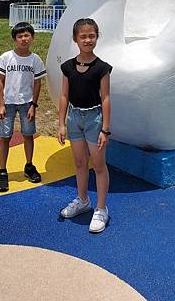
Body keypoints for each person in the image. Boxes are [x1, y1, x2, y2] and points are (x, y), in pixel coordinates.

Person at [57, 18, 112, 233]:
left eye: (92, 35)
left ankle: (101, 208)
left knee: (98, 165)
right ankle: (82, 200)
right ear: (75, 39)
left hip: (94, 119)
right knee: (79, 163)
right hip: (73, 118)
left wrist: (105, 128)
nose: (88, 40)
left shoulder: (102, 68)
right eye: (83, 36)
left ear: (97, 37)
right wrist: (61, 123)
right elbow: (63, 96)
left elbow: (106, 98)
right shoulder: (68, 67)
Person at [0, 22, 46, 192]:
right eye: (20, 36)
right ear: (15, 39)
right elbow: (0, 81)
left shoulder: (35, 59)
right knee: (5, 136)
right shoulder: (6, 57)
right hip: (8, 103)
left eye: (27, 35)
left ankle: (29, 166)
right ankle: (2, 171)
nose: (23, 39)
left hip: (26, 103)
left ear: (32, 37)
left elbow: (37, 83)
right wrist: (1, 104)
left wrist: (33, 105)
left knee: (28, 135)